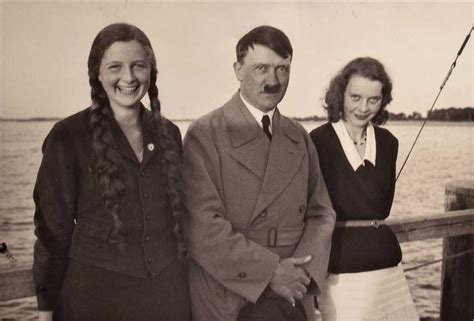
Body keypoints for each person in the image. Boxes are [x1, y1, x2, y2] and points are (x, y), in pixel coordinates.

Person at [32, 23, 190, 321]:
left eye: (138, 66)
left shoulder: (169, 132)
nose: (128, 77)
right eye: (115, 66)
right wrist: (46, 309)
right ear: (98, 74)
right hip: (96, 300)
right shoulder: (68, 135)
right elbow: (53, 232)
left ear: (151, 72)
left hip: (166, 297)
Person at [182, 25, 336, 321]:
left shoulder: (298, 136)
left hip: (290, 292)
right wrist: (269, 273)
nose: (273, 81)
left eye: (283, 69)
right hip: (228, 294)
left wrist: (299, 274)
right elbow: (201, 224)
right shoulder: (205, 133)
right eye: (261, 69)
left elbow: (322, 213)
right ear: (238, 70)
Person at [309, 57, 419, 320]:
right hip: (339, 269)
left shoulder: (388, 141)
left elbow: (382, 208)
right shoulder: (317, 141)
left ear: (383, 101)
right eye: (355, 97)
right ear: (341, 94)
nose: (363, 108)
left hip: (386, 268)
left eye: (373, 100)